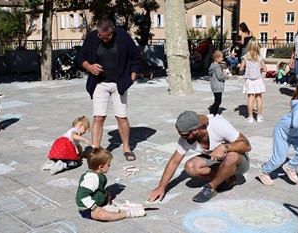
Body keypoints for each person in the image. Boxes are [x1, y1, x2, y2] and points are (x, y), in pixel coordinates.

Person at [147, 111, 251, 203]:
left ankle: (211, 187)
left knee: (231, 156)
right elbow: (174, 162)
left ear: (195, 130)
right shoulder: (186, 139)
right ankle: (227, 179)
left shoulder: (218, 125)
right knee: (190, 167)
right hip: (217, 161)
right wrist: (161, 187)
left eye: (185, 135)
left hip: (239, 162)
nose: (183, 138)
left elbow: (247, 146)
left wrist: (224, 147)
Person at [77, 17, 143, 162]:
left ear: (113, 30)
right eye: (102, 37)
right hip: (99, 83)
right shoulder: (92, 38)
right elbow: (80, 57)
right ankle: (95, 149)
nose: (105, 40)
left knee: (121, 117)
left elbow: (136, 56)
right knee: (98, 117)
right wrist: (89, 67)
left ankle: (126, 148)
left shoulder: (123, 36)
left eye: (108, 37)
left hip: (119, 84)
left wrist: (131, 77)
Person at [257, 78, 298, 186]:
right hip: (283, 132)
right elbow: (296, 123)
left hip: (297, 133)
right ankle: (263, 172)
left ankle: (290, 166)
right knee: (279, 159)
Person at [76, 147, 146, 221]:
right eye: (108, 164)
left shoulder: (96, 174)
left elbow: (96, 189)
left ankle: (113, 208)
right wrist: (95, 208)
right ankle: (129, 214)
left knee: (109, 204)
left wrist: (105, 194)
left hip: (96, 203)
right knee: (104, 216)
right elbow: (82, 195)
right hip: (87, 208)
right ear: (100, 167)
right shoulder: (92, 178)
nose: (109, 166)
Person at [240, 38, 267, 123]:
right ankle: (259, 116)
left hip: (249, 80)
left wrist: (247, 69)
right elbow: (265, 69)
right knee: (258, 98)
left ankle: (250, 117)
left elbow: (241, 68)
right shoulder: (260, 58)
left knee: (250, 98)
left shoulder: (245, 57)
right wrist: (260, 69)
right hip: (258, 79)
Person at [208, 50, 230, 116]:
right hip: (218, 86)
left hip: (214, 85)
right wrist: (226, 75)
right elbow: (220, 77)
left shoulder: (212, 65)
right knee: (218, 101)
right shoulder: (217, 67)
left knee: (217, 100)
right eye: (221, 57)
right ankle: (212, 114)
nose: (222, 58)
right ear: (216, 58)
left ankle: (215, 113)